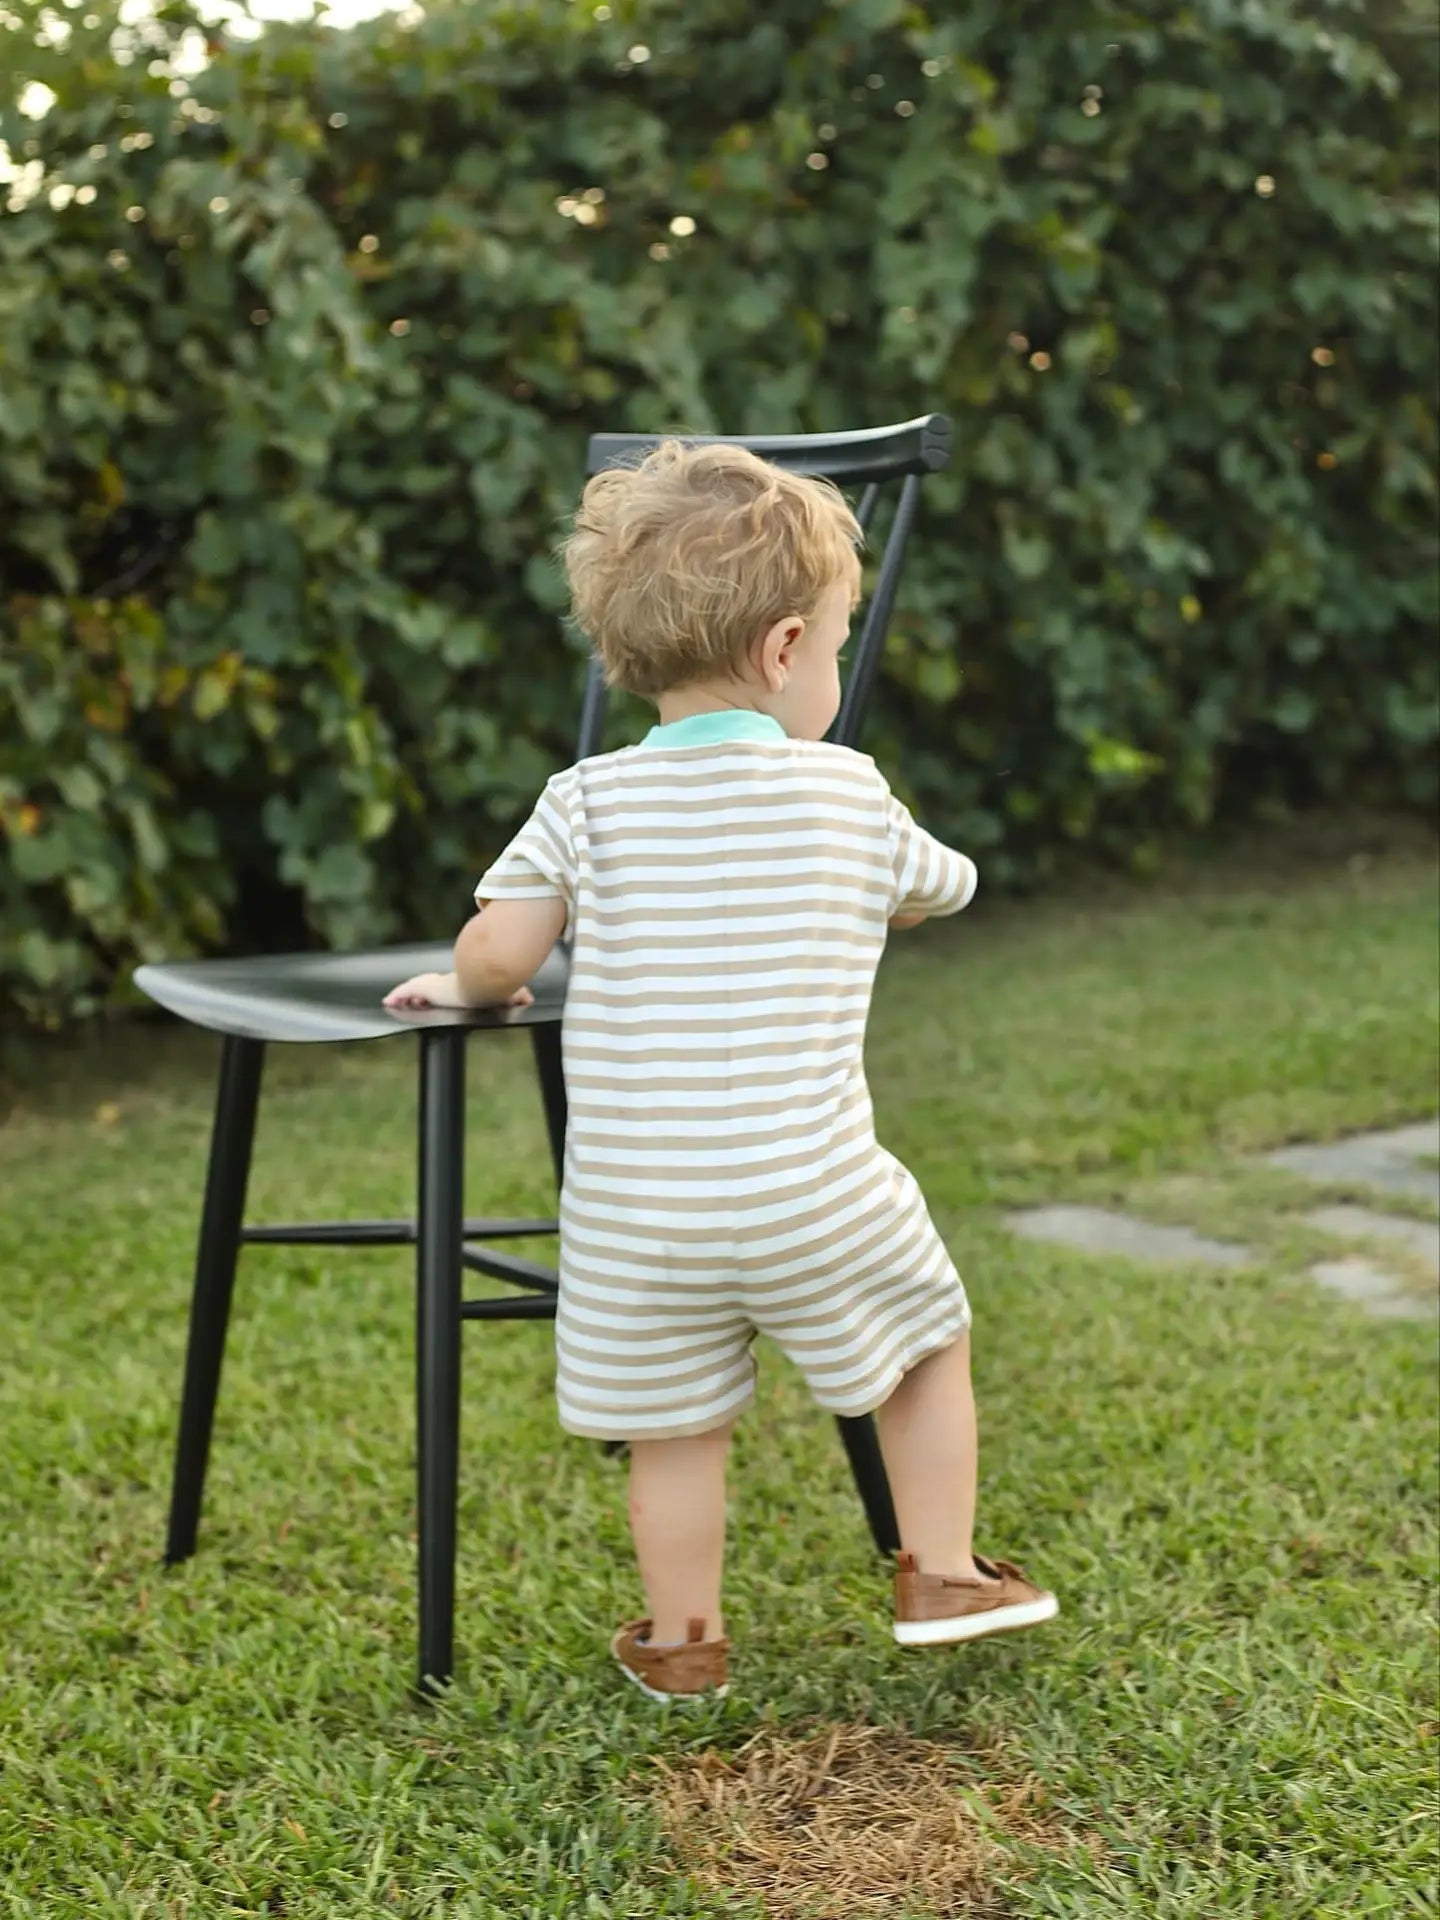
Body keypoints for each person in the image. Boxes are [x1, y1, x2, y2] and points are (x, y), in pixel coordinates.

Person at [384, 441, 1057, 1700]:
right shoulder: (848, 794)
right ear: (786, 649)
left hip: (639, 1215)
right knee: (923, 1351)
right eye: (839, 650)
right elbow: (942, 889)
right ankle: (948, 1571)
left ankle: (683, 1640)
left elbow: (502, 945)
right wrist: (875, 890)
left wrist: (467, 983)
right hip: (818, 1194)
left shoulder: (581, 802)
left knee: (677, 1430)